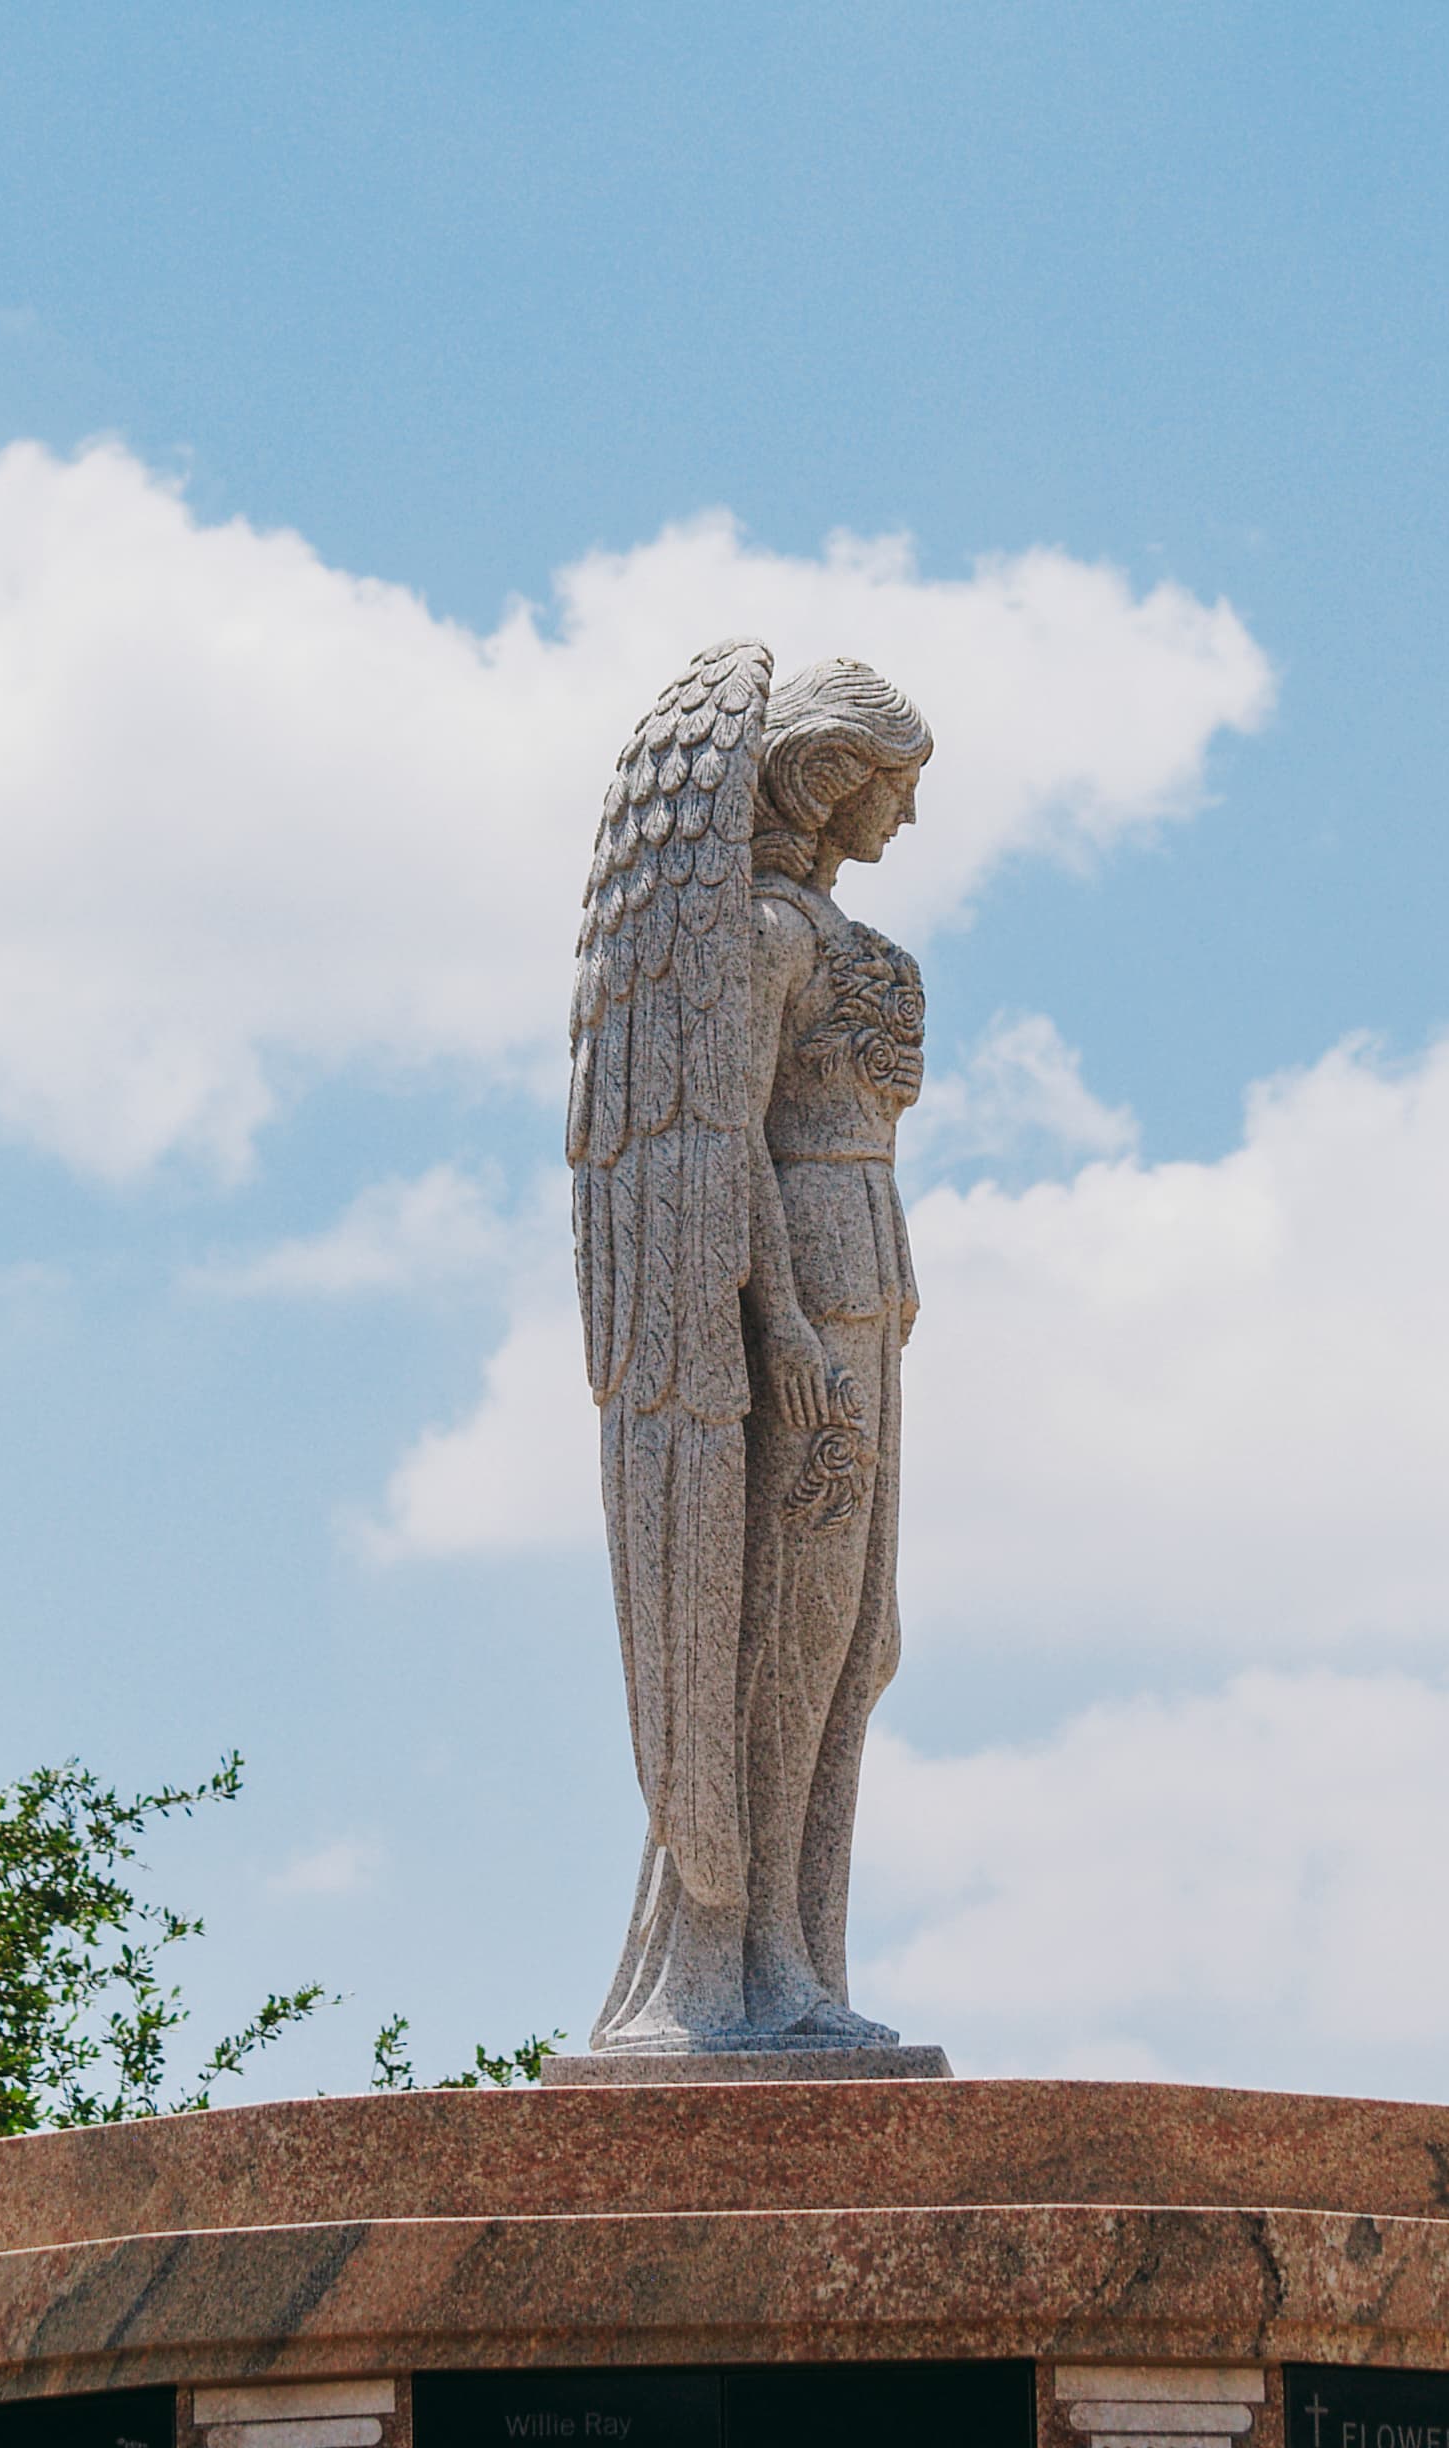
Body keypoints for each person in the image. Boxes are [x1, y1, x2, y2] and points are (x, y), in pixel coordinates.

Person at [567, 641, 933, 2051]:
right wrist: (775, 1319)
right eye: (889, 785)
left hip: (874, 1289)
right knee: (794, 1622)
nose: (901, 821)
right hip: (806, 1299)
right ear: (825, 776)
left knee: (859, 1638)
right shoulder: (767, 940)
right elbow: (715, 1149)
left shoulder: (837, 942)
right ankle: (740, 1958)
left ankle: (800, 1954)